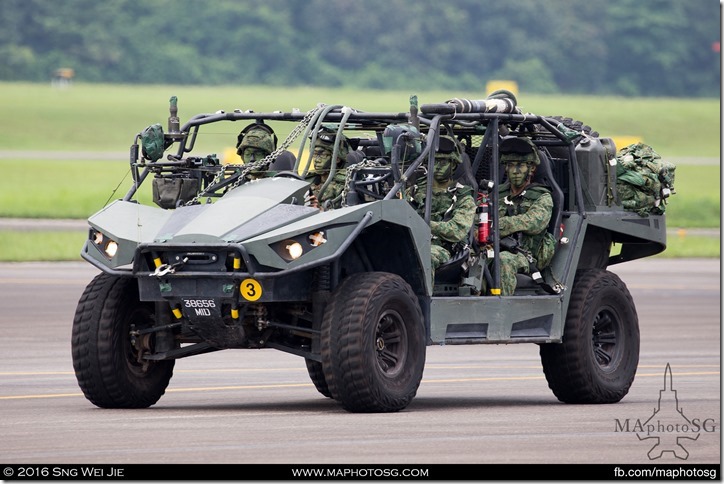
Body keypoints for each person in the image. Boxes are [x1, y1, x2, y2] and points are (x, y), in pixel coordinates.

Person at [494, 137, 554, 296]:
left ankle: (500, 309)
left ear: (532, 169)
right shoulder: (496, 193)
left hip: (524, 254)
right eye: (511, 165)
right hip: (491, 247)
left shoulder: (542, 196)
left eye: (520, 166)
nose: (515, 171)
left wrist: (500, 225)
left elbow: (534, 223)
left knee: (503, 261)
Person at [410, 135, 476, 274]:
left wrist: (420, 223)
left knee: (424, 256)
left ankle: (420, 296)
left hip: (445, 249)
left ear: (453, 164)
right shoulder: (414, 190)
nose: (438, 166)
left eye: (443, 161)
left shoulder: (462, 195)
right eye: (435, 161)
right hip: (413, 242)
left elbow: (456, 230)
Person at [305, 127, 351, 210]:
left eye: (322, 155)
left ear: (337, 158)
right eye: (315, 154)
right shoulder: (308, 180)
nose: (317, 160)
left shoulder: (345, 185)